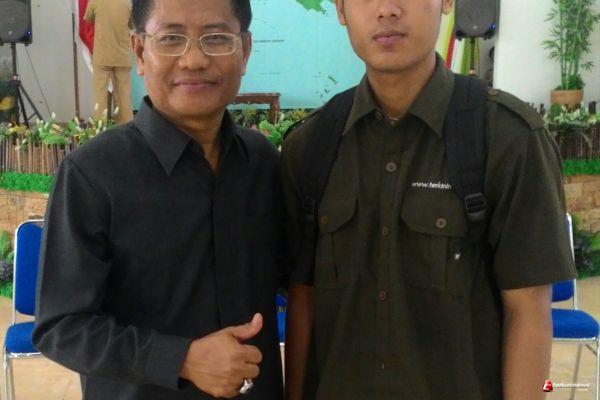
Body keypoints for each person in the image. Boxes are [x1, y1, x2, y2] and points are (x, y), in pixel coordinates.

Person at [282, 1, 576, 399]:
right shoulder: (311, 146)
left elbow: (527, 310)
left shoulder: (507, 138)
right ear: (340, 9)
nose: (386, 9)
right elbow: (303, 299)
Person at [33, 0, 284, 399]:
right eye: (171, 38)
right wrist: (181, 359)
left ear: (245, 50)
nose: (194, 60)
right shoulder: (92, 173)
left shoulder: (261, 162)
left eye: (216, 38)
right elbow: (62, 328)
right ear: (139, 51)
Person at [84, 0, 134, 124]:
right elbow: (132, 24)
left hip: (102, 56)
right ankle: (126, 128)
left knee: (99, 98)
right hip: (122, 56)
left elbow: (88, 19)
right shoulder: (128, 3)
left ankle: (99, 129)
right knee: (123, 98)